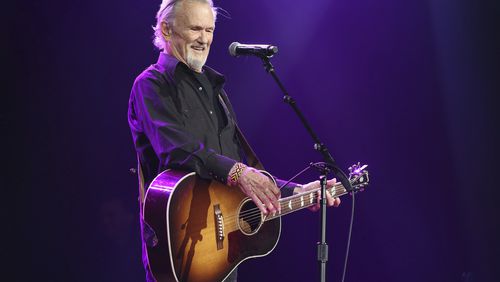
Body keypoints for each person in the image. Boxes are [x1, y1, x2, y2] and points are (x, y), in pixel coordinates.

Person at [128, 0, 341, 281]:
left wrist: (297, 191)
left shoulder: (216, 92)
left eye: (209, 30)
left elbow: (239, 168)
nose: (204, 39)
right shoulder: (151, 84)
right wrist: (238, 173)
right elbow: (176, 148)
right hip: (179, 251)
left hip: (221, 256)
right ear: (166, 30)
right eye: (195, 28)